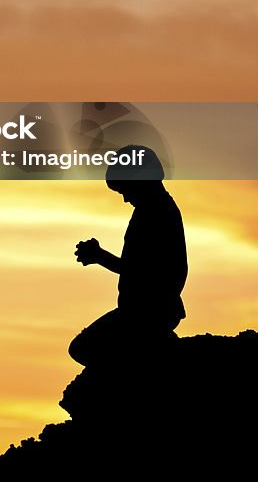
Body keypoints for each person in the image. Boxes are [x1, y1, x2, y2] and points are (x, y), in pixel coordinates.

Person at [68, 145, 187, 367]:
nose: (125, 198)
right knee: (84, 349)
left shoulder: (157, 213)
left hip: (148, 315)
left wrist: (99, 256)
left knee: (84, 349)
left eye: (125, 190)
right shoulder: (153, 210)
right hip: (141, 312)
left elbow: (141, 269)